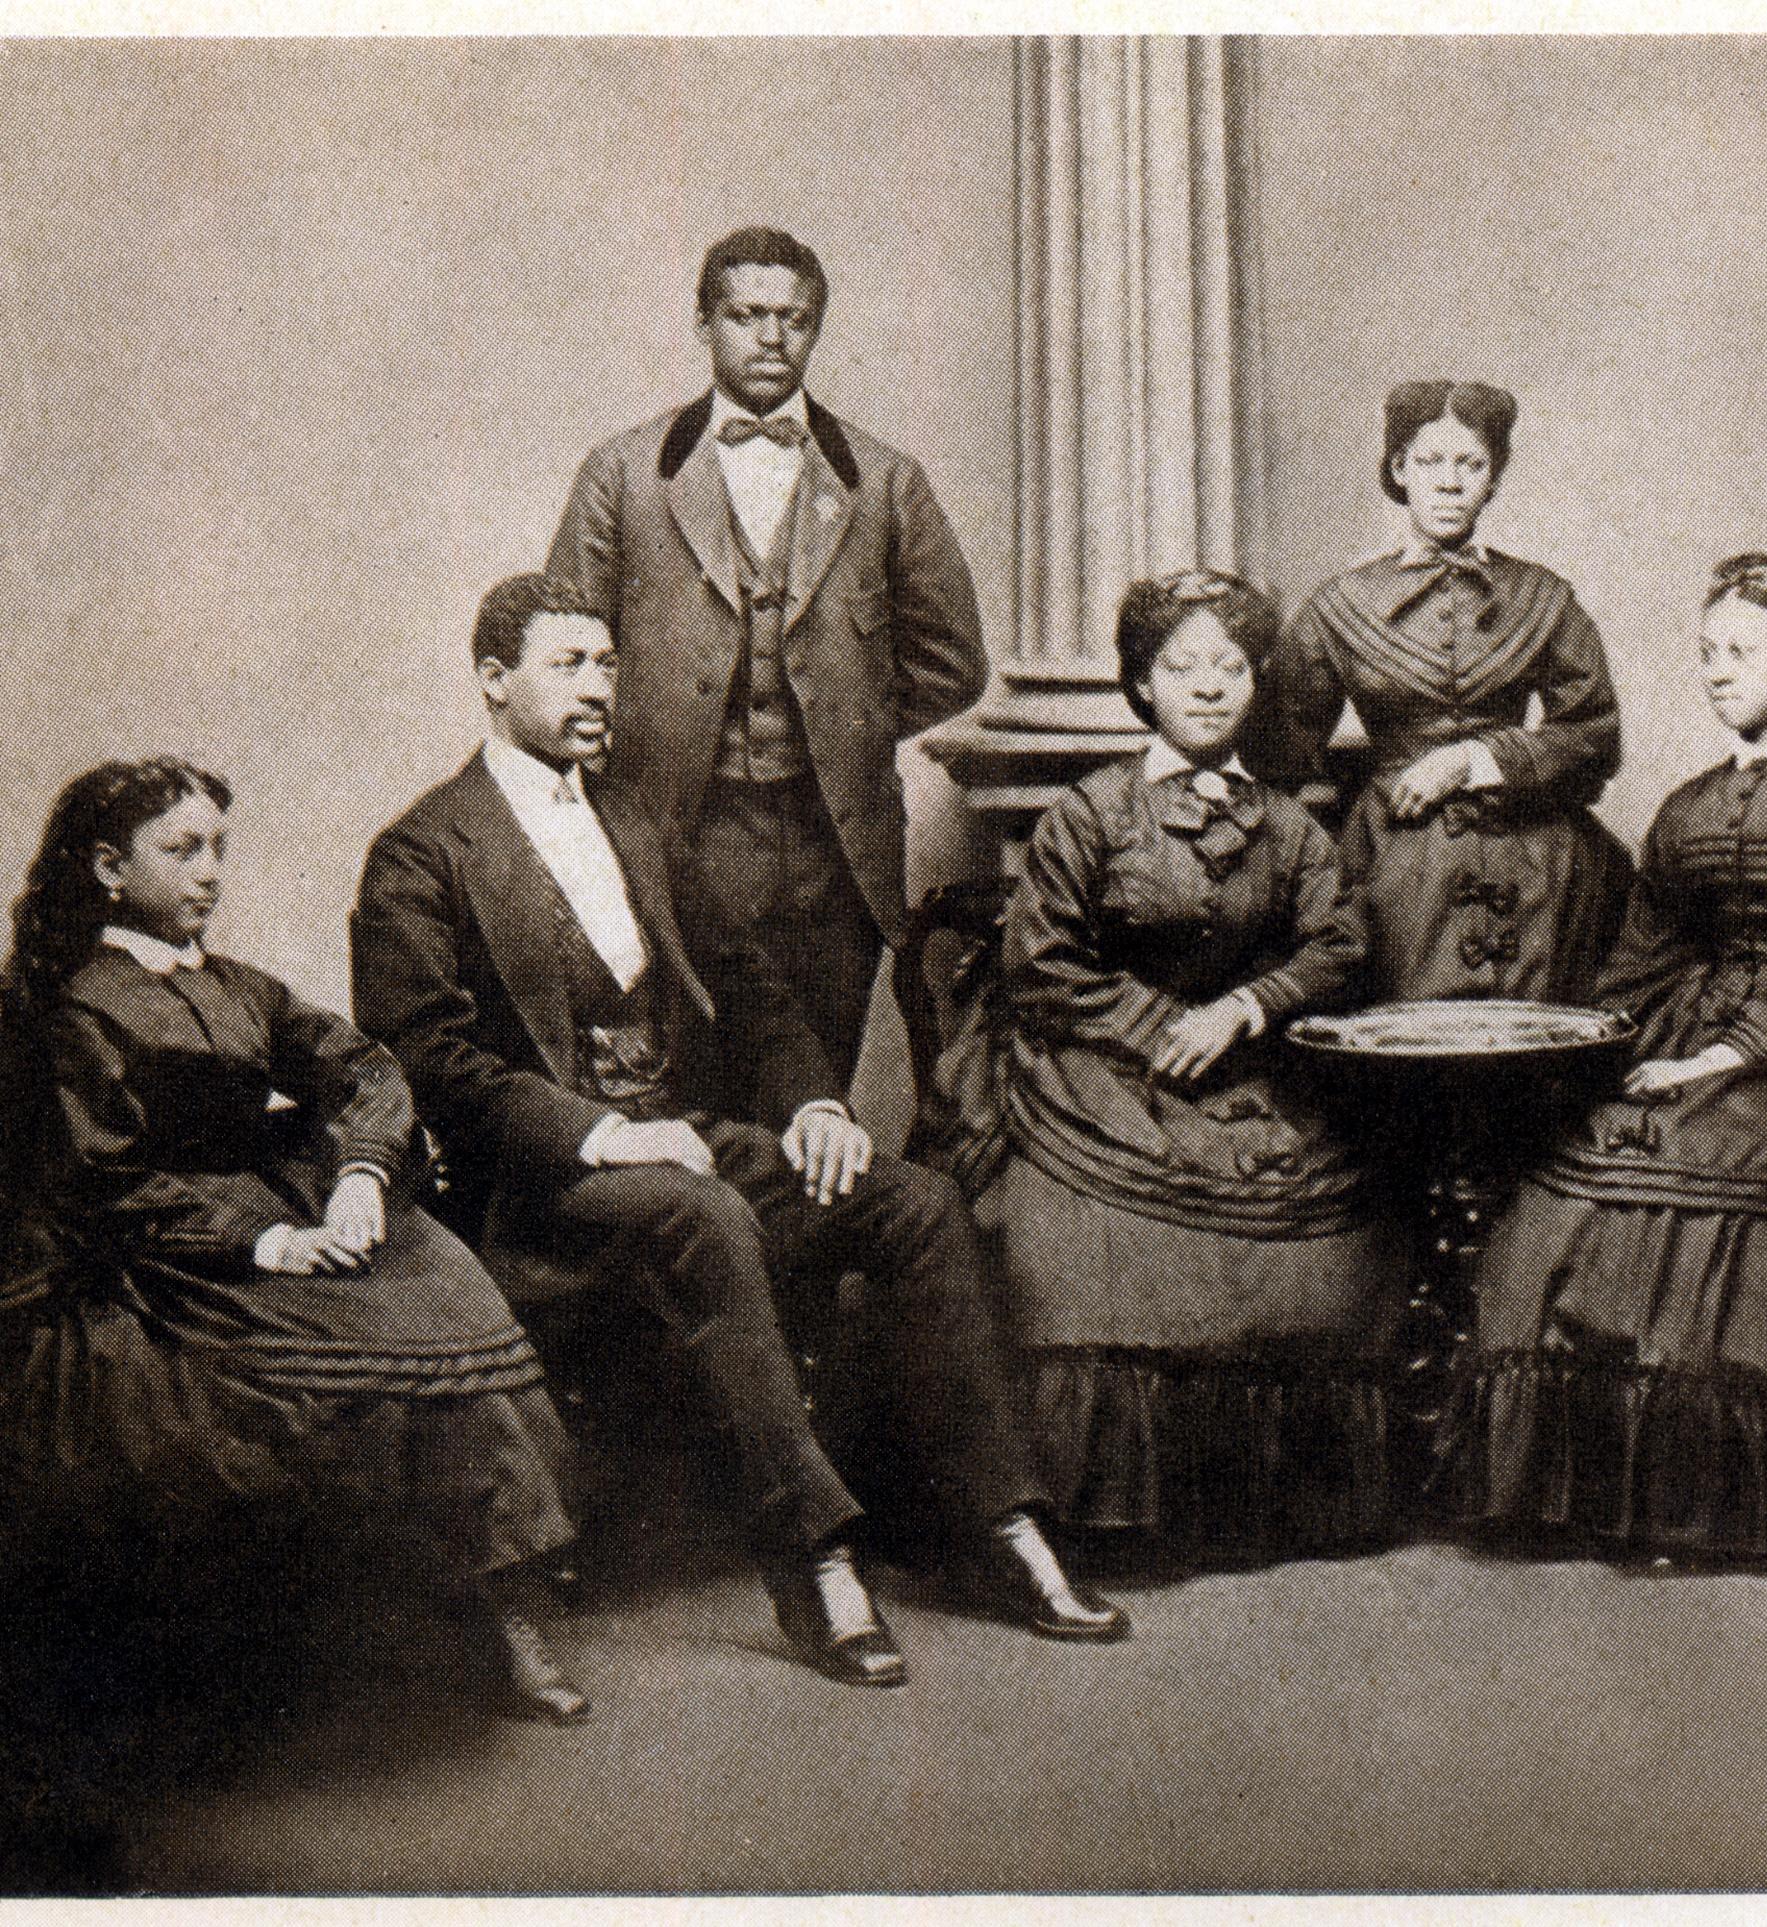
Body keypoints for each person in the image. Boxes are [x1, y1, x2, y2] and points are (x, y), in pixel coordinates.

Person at [350, 575, 1123, 1693]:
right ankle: (815, 1557)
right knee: (705, 1213)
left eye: (608, 664)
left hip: (683, 1140)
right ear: (494, 679)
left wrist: (815, 1105)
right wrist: (603, 1135)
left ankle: (998, 1524)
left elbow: (753, 990)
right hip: (539, 1182)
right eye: (569, 665)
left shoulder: (635, 821)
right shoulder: (423, 850)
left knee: (915, 1202)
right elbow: (426, 1059)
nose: (597, 687)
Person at [6, 758, 588, 1724]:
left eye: (218, 848)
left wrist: (360, 1173)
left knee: (436, 1311)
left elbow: (367, 1068)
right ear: (110, 868)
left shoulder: (241, 987)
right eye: (181, 850)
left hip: (273, 1205)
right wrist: (266, 1241)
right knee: (309, 1386)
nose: (209, 872)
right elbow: (95, 1175)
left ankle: (506, 1614)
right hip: (153, 1249)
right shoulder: (71, 1004)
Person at [1435, 556, 1767, 1564]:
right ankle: (1576, 1493)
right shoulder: (1689, 804)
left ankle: (1698, 1503)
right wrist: (1586, 1047)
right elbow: (1643, 954)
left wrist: (1720, 1057)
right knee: (1585, 1142)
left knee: (1709, 1143)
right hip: (1690, 1033)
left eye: (1739, 652)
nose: (1715, 671)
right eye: (1706, 652)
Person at [931, 569, 1404, 1556]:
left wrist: (1242, 1009)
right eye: (1183, 667)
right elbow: (1042, 966)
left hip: (1244, 1068)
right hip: (1090, 1061)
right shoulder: (1090, 813)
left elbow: (1341, 943)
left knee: (1335, 1241)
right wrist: (1159, 1028)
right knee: (1092, 1248)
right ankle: (1095, 1513)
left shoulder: (1287, 824)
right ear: (1142, 683)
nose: (1209, 686)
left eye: (1231, 667)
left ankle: (1262, 1512)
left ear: (1256, 683)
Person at [545, 225, 987, 1082]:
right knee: (693, 1084)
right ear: (703, 325)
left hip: (836, 843)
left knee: (818, 1088)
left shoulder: (885, 480)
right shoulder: (623, 474)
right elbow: (564, 651)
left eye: (794, 318)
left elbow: (955, 659)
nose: (772, 338)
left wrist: (844, 727)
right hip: (677, 830)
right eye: (747, 316)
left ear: (816, 328)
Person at [1251, 379, 1629, 1004]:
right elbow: (1279, 758)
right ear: (1399, 470)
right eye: (1430, 461)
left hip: (1538, 854)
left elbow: (1595, 736)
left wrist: (1476, 761)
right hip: (1395, 852)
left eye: (1470, 464)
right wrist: (1328, 851)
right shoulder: (1340, 605)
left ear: (1494, 477)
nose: (1449, 483)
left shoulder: (1543, 597)